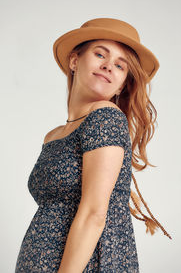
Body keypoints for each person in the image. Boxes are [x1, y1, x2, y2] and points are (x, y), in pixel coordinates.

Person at [15, 17, 172, 273]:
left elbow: (94, 214)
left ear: (124, 83)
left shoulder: (106, 117)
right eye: (100, 54)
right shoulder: (54, 136)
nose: (109, 66)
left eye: (120, 66)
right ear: (74, 60)